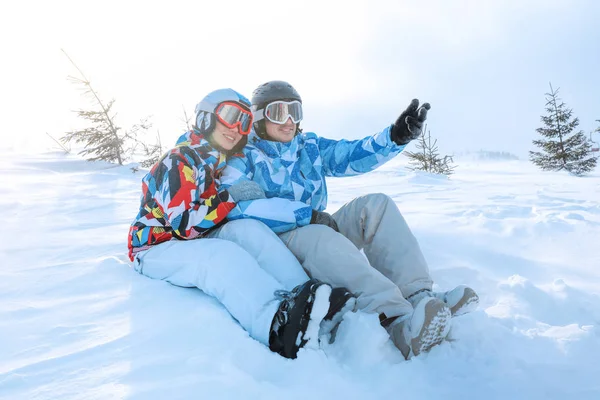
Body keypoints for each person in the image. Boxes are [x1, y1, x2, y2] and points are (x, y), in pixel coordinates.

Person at [220, 81, 479, 360]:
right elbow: (242, 206)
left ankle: (418, 296)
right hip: (282, 241)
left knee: (376, 206)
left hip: (319, 226)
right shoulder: (242, 155)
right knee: (319, 235)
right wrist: (307, 215)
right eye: (279, 112)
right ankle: (398, 320)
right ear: (259, 117)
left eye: (295, 111)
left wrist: (395, 137)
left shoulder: (307, 147)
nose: (290, 121)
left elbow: (351, 153)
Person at [127, 88, 352, 359]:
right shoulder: (180, 158)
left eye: (244, 122)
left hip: (198, 237)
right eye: (230, 116)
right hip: (156, 247)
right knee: (219, 256)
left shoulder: (218, 162)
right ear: (207, 117)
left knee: (251, 231)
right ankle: (274, 323)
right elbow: (184, 225)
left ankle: (310, 299)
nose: (236, 128)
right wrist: (229, 196)